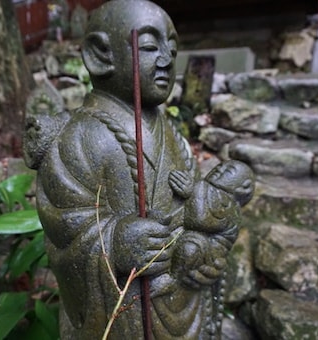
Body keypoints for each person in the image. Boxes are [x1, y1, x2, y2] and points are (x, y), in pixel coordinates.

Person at [29, 1, 252, 338]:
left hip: (180, 297)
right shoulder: (82, 136)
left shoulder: (172, 135)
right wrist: (115, 241)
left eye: (172, 50)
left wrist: (204, 251)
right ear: (100, 55)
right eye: (149, 47)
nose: (165, 60)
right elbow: (66, 225)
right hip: (124, 311)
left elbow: (194, 209)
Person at [168, 160, 254, 290]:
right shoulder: (212, 192)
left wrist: (193, 190)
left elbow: (200, 220)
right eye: (220, 165)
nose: (220, 169)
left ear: (243, 187)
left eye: (228, 171)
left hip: (208, 254)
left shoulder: (228, 204)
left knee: (189, 248)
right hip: (198, 247)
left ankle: (171, 281)